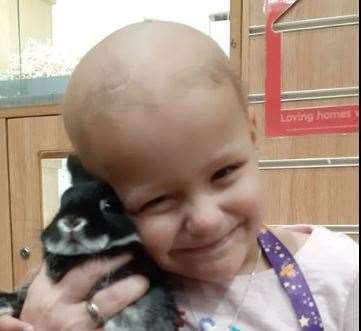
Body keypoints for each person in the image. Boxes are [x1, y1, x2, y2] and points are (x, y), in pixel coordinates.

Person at [0, 21, 358, 331]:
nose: (205, 220)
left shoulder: (337, 272)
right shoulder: (87, 292)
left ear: (251, 136)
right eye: (157, 200)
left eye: (224, 173)